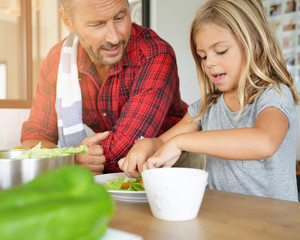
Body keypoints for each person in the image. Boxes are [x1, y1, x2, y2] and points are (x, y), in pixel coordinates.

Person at [119, 0, 300, 201]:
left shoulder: (274, 95)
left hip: (273, 225)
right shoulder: (208, 107)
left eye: (221, 51)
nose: (210, 63)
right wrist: (146, 144)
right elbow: (162, 141)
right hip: (223, 219)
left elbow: (264, 142)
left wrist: (180, 142)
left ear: (256, 43)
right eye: (203, 56)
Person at [21, 0, 188, 175]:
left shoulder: (154, 54)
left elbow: (125, 149)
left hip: (175, 166)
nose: (115, 37)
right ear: (68, 21)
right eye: (97, 24)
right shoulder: (58, 62)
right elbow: (36, 138)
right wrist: (70, 160)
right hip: (113, 175)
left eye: (119, 18)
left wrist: (68, 159)